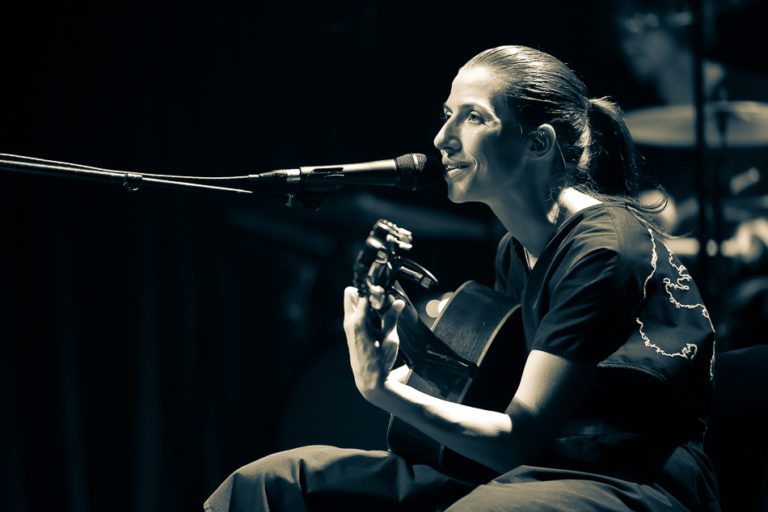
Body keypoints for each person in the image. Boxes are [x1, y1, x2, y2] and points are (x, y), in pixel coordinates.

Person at [204, 45, 720, 511]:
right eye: (447, 115)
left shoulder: (602, 249)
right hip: (536, 473)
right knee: (275, 482)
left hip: (625, 480)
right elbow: (495, 398)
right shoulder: (515, 251)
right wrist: (412, 344)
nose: (441, 139)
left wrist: (382, 389)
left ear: (538, 143)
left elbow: (518, 437)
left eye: (472, 117)